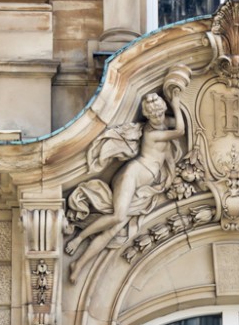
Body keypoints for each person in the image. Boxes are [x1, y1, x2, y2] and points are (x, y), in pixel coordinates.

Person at [66, 92, 185, 283]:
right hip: (132, 176)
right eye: (153, 115)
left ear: (163, 110)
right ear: (147, 116)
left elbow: (177, 124)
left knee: (113, 230)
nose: (157, 118)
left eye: (160, 113)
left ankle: (78, 265)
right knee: (117, 217)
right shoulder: (152, 133)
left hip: (142, 185)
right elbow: (180, 131)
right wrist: (177, 104)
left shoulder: (164, 122)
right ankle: (78, 238)